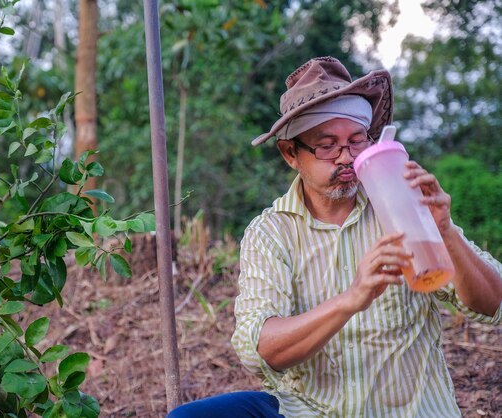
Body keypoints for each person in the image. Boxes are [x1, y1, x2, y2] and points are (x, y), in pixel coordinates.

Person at [167, 56, 502, 417]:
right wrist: (353, 298)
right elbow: (262, 348)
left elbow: (493, 305)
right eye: (327, 146)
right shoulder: (272, 232)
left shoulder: (401, 208)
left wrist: (444, 231)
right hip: (307, 410)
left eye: (357, 141)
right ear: (290, 153)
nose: (347, 158)